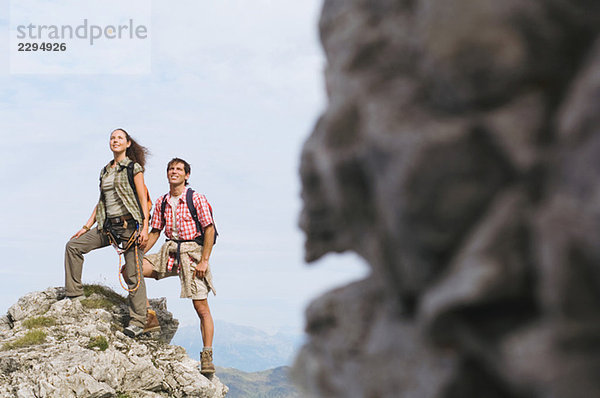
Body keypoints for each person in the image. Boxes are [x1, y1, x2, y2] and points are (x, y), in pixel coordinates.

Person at [64, 128, 157, 338]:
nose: (115, 141)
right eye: (112, 138)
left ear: (127, 144)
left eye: (119, 138)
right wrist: (86, 227)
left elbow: (143, 199)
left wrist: (144, 227)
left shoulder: (134, 168)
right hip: (107, 227)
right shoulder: (105, 171)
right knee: (73, 246)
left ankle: (138, 321)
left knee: (134, 274)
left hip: (130, 227)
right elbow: (101, 202)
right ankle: (74, 295)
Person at [142, 158, 217, 374]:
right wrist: (137, 254)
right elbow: (156, 232)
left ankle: (207, 356)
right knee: (131, 269)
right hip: (170, 252)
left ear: (187, 175)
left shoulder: (197, 199)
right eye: (171, 169)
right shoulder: (162, 201)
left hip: (193, 254)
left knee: (201, 307)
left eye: (179, 169)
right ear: (167, 174)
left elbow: (209, 229)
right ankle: (149, 316)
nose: (174, 172)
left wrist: (204, 260)